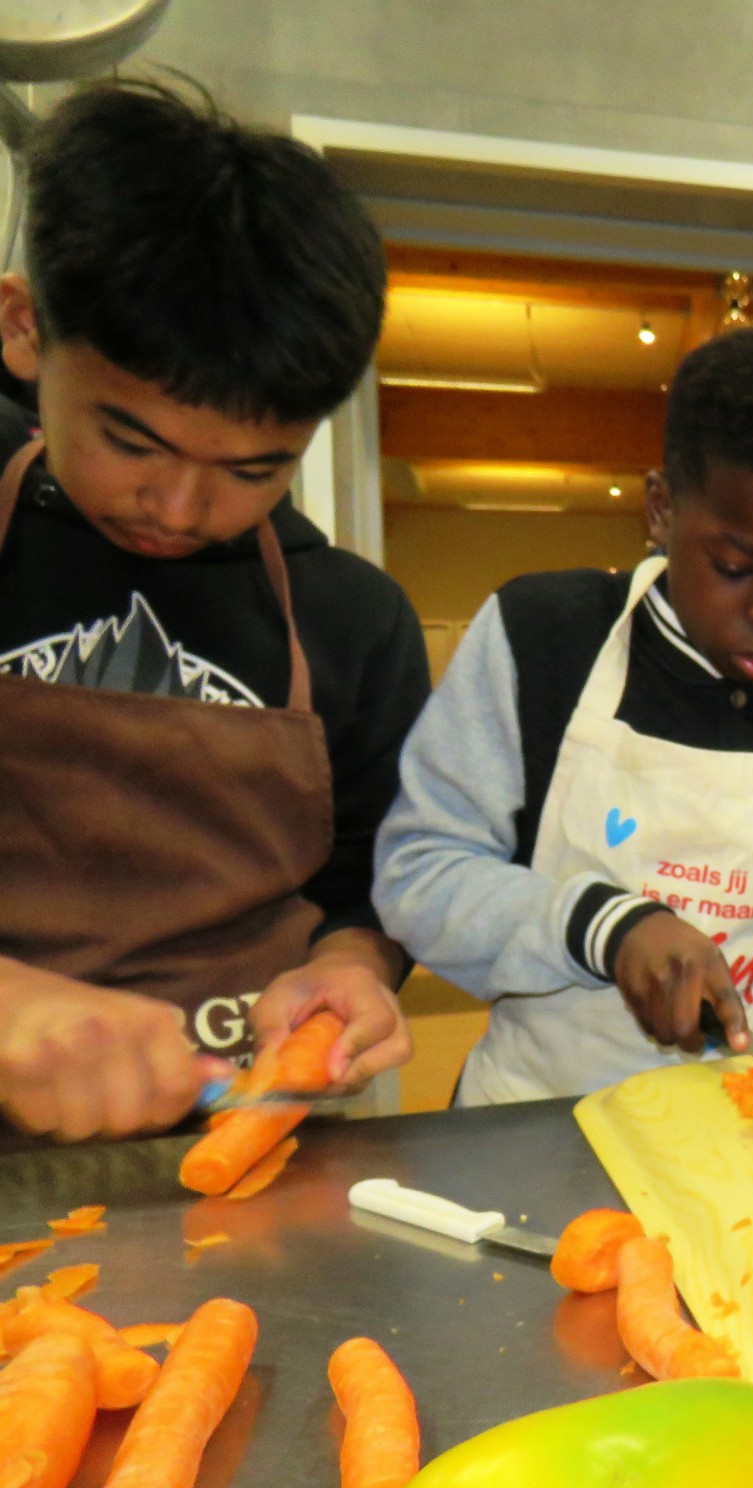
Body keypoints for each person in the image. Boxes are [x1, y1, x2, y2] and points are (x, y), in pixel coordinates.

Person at [0, 80, 426, 1144]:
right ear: (22, 332)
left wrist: (347, 972)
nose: (181, 509)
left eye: (253, 468)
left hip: (242, 1148)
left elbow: (368, 885)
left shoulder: (353, 618)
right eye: (135, 444)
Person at [375, 326, 753, 1105]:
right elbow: (420, 875)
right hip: (539, 1127)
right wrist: (606, 926)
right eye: (736, 568)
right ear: (663, 508)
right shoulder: (542, 640)